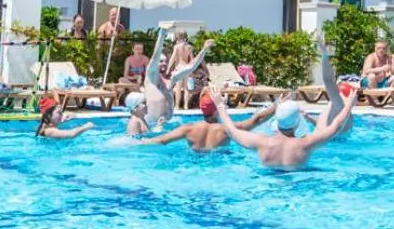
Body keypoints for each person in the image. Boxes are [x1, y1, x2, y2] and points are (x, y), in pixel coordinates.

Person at [220, 86, 358, 171]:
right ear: (297, 123)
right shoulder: (306, 143)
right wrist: (349, 105)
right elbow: (336, 125)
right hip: (298, 186)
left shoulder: (261, 142)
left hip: (266, 185)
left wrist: (219, 106)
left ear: (277, 120)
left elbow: (232, 131)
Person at [137, 91, 276, 152]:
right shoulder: (227, 129)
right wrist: (277, 105)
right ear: (216, 110)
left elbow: (161, 140)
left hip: (194, 163)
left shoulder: (188, 128)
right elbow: (257, 119)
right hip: (218, 166)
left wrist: (138, 143)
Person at [317, 40, 353, 137]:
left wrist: (324, 54)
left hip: (331, 142)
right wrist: (308, 118)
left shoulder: (340, 105)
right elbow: (325, 127)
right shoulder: (344, 111)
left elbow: (328, 80)